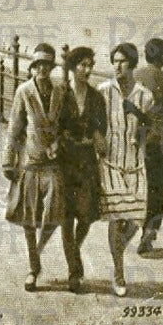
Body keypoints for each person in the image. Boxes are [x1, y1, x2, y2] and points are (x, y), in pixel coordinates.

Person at [2, 43, 71, 293]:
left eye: (47, 65)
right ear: (32, 68)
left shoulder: (60, 91)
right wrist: (8, 160)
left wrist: (59, 142)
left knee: (55, 212)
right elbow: (14, 127)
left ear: (51, 68)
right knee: (28, 217)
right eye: (38, 65)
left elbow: (65, 125)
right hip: (30, 162)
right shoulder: (24, 91)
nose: (43, 69)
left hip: (52, 162)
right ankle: (34, 267)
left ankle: (39, 252)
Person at [99, 42, 154, 297]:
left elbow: (150, 133)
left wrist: (141, 122)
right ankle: (119, 272)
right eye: (114, 61)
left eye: (122, 61)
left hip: (135, 164)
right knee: (116, 216)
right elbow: (95, 126)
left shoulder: (144, 96)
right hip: (110, 163)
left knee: (136, 218)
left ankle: (117, 250)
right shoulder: (103, 92)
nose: (117, 66)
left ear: (132, 64)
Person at [60, 46, 106, 293]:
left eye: (90, 65)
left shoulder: (96, 97)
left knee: (86, 215)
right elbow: (53, 126)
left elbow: (102, 129)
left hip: (87, 162)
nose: (87, 70)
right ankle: (74, 272)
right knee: (67, 218)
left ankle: (74, 251)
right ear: (72, 66)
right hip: (65, 163)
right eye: (83, 65)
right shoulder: (61, 94)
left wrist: (98, 139)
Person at [134, 38, 163, 255]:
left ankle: (127, 228)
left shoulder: (136, 76)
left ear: (145, 54)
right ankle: (149, 232)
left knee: (135, 184)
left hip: (139, 138)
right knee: (157, 188)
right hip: (162, 142)